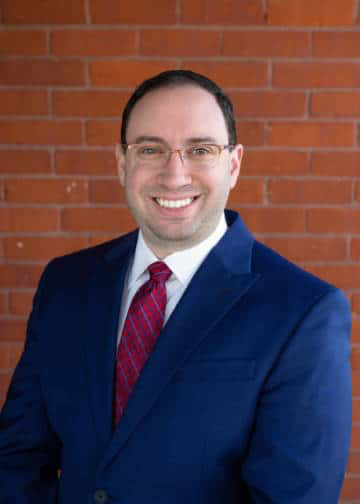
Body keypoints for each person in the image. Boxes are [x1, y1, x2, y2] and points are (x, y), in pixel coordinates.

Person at [0, 70, 352, 504]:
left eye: (200, 150)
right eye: (150, 149)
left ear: (234, 163)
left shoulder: (303, 311)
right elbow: (16, 459)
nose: (173, 174)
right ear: (122, 163)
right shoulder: (66, 284)